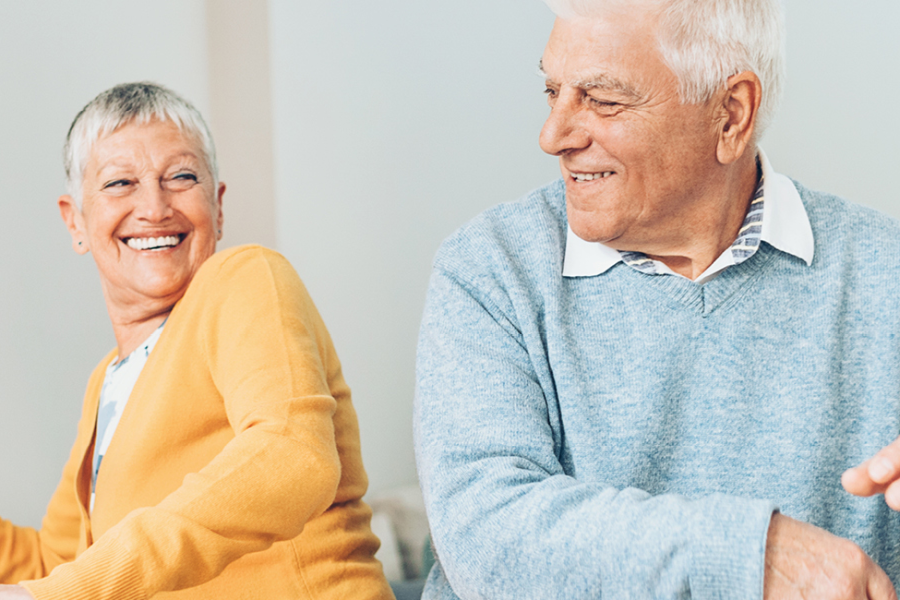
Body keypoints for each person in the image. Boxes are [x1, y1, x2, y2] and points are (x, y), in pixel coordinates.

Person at [414, 0, 900, 598]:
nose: (552, 136)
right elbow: (486, 537)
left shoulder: (887, 272)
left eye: (603, 99)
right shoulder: (491, 267)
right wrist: (750, 553)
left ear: (731, 115)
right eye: (552, 91)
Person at [0, 82, 394, 600]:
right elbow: (60, 561)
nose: (154, 207)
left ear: (218, 203)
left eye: (181, 177)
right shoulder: (108, 381)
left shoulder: (244, 277)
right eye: (120, 183)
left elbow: (292, 454)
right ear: (75, 220)